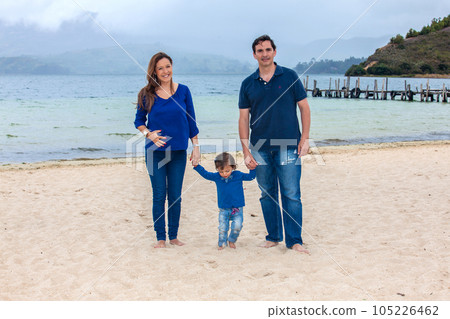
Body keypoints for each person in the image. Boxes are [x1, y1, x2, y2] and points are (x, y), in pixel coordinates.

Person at [238, 35, 311, 254]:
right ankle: (273, 237)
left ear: (275, 52)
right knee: (267, 194)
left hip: (288, 145)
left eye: (268, 49)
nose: (265, 54)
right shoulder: (248, 83)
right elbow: (243, 119)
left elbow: (304, 109)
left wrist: (304, 139)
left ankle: (295, 241)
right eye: (260, 51)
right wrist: (245, 150)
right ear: (254, 55)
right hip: (259, 147)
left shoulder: (289, 76)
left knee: (291, 194)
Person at [134, 52, 200, 248]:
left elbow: (191, 121)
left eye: (168, 66)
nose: (165, 71)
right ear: (154, 71)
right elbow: (139, 121)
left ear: (172, 67)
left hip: (179, 152)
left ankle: (173, 236)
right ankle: (160, 238)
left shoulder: (184, 91)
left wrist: (196, 147)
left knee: (175, 196)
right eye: (160, 68)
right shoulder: (146, 94)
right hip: (155, 152)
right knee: (159, 194)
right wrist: (149, 134)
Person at [193, 152, 256, 250]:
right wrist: (197, 166)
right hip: (223, 208)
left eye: (227, 171)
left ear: (233, 167)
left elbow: (250, 177)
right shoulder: (217, 177)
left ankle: (231, 240)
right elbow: (205, 174)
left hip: (237, 208)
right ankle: (222, 243)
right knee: (222, 228)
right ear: (217, 169)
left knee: (237, 227)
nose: (224, 174)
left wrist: (252, 169)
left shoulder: (238, 175)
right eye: (221, 171)